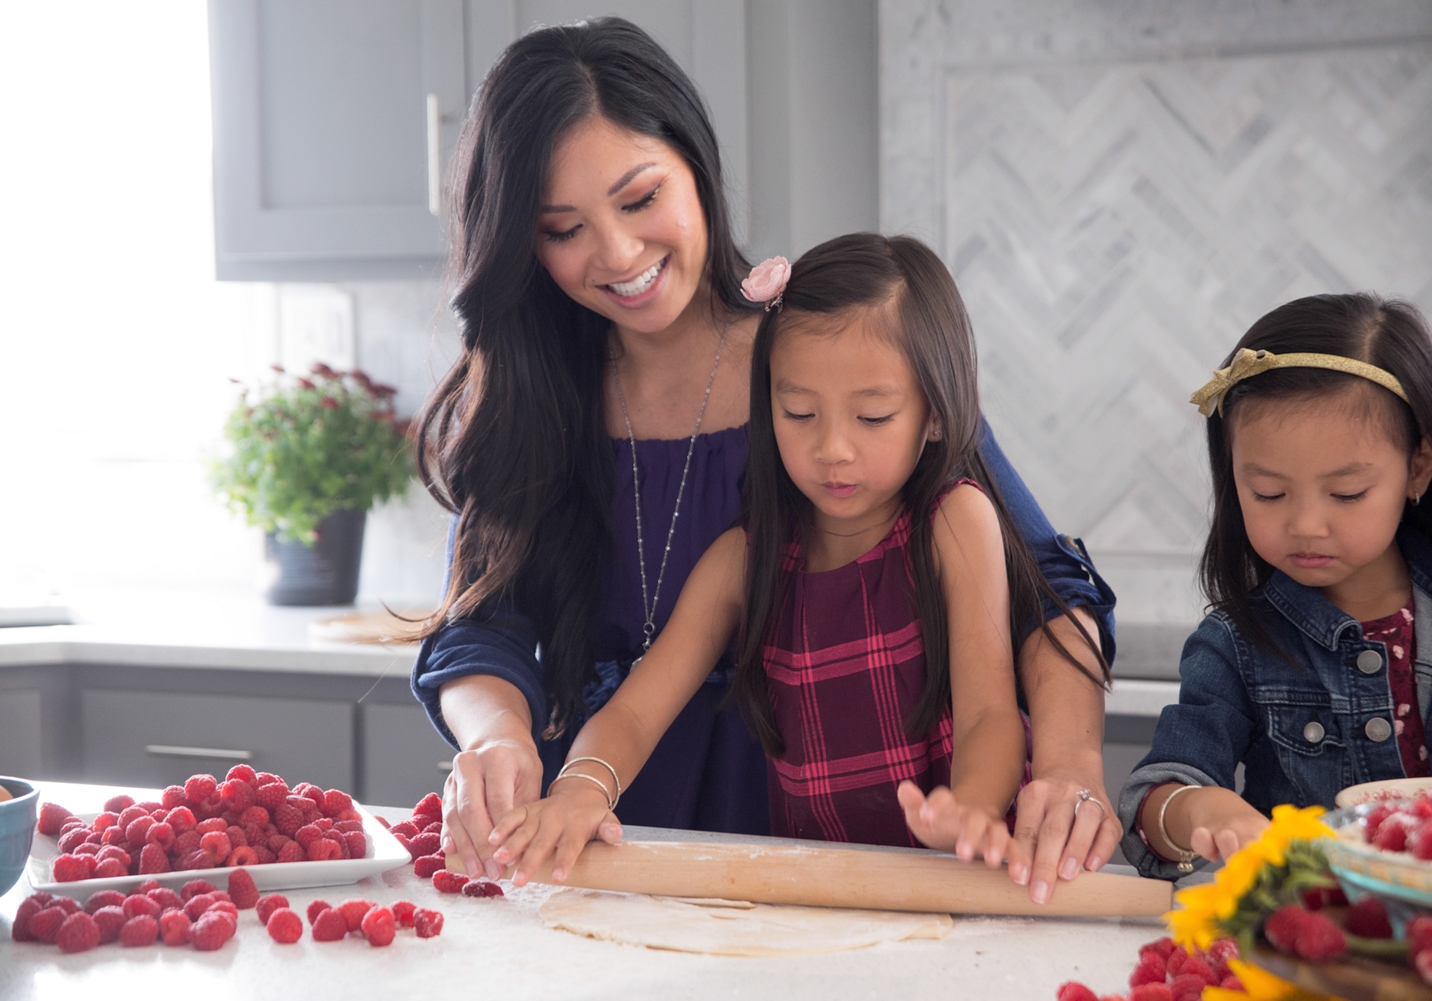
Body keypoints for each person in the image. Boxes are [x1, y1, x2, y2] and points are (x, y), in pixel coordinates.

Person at [410, 16, 1119, 904]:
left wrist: (1068, 766)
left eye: (638, 200)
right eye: (563, 229)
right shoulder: (533, 395)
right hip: (604, 844)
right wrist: (494, 739)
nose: (619, 254)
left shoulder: (826, 360)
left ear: (696, 166)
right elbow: (481, 624)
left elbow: (1044, 585)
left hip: (807, 844)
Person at [490, 233, 1108, 887]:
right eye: (800, 411)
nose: (833, 447)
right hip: (820, 888)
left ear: (934, 414)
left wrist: (972, 807)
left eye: (873, 416)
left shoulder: (956, 522)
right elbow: (635, 712)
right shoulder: (743, 560)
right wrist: (583, 784)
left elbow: (989, 711)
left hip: (963, 875)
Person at [1118, 293, 1432, 880]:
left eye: (1346, 494)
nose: (1305, 525)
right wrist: (1198, 807)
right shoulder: (1236, 642)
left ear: (1418, 467)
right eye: (1268, 493)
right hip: (1320, 938)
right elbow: (1157, 794)